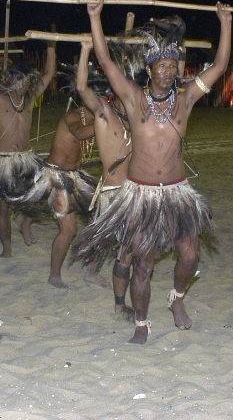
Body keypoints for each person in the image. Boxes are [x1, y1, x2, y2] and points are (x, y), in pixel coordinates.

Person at [74, 0, 230, 344]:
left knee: (190, 254)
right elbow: (104, 61)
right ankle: (141, 323)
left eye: (173, 65)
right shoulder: (133, 98)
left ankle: (176, 298)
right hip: (141, 194)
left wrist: (225, 22)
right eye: (161, 65)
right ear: (149, 68)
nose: (167, 71)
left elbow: (220, 65)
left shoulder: (185, 99)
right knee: (142, 264)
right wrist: (95, 16)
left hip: (177, 192)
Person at [0, 40, 57, 257]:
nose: (26, 86)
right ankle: (7, 249)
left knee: (42, 194)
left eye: (29, 82)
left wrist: (51, 45)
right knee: (4, 207)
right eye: (23, 81)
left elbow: (49, 73)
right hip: (3, 160)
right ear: (14, 79)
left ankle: (25, 224)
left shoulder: (30, 97)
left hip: (27, 158)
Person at [74, 39, 142, 318]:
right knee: (119, 249)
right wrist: (85, 51)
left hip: (137, 194)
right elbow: (81, 88)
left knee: (132, 251)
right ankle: (118, 304)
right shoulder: (103, 114)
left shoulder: (139, 119)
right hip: (113, 194)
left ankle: (128, 299)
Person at [16, 91, 97, 288]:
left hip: (75, 175)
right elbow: (79, 133)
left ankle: (92, 272)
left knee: (97, 219)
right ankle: (54, 276)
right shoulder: (72, 117)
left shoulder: (97, 116)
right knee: (68, 229)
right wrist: (105, 124)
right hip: (56, 175)